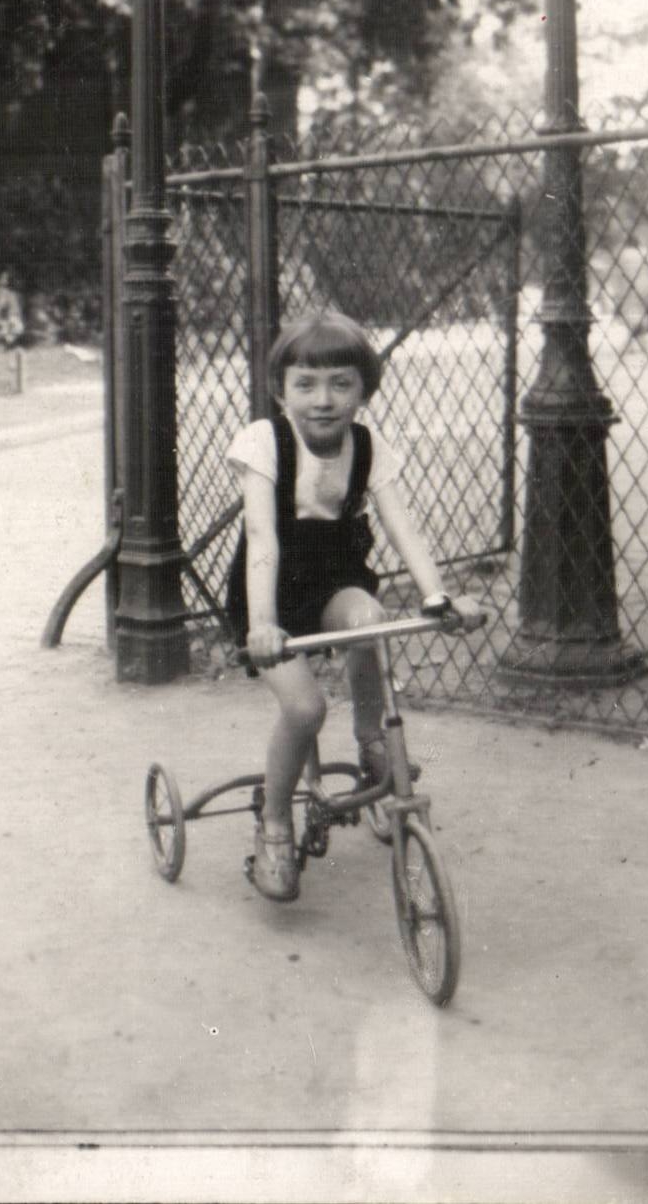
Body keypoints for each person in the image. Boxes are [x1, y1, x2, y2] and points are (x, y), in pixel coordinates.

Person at [226, 310, 484, 903]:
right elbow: (262, 539)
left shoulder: (368, 446)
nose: (323, 400)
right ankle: (274, 824)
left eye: (341, 384)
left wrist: (439, 597)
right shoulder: (264, 442)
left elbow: (402, 527)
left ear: (364, 391)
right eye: (306, 385)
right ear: (280, 390)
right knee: (305, 709)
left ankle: (372, 741)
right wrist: (263, 625)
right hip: (270, 593)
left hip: (334, 580)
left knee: (371, 620)